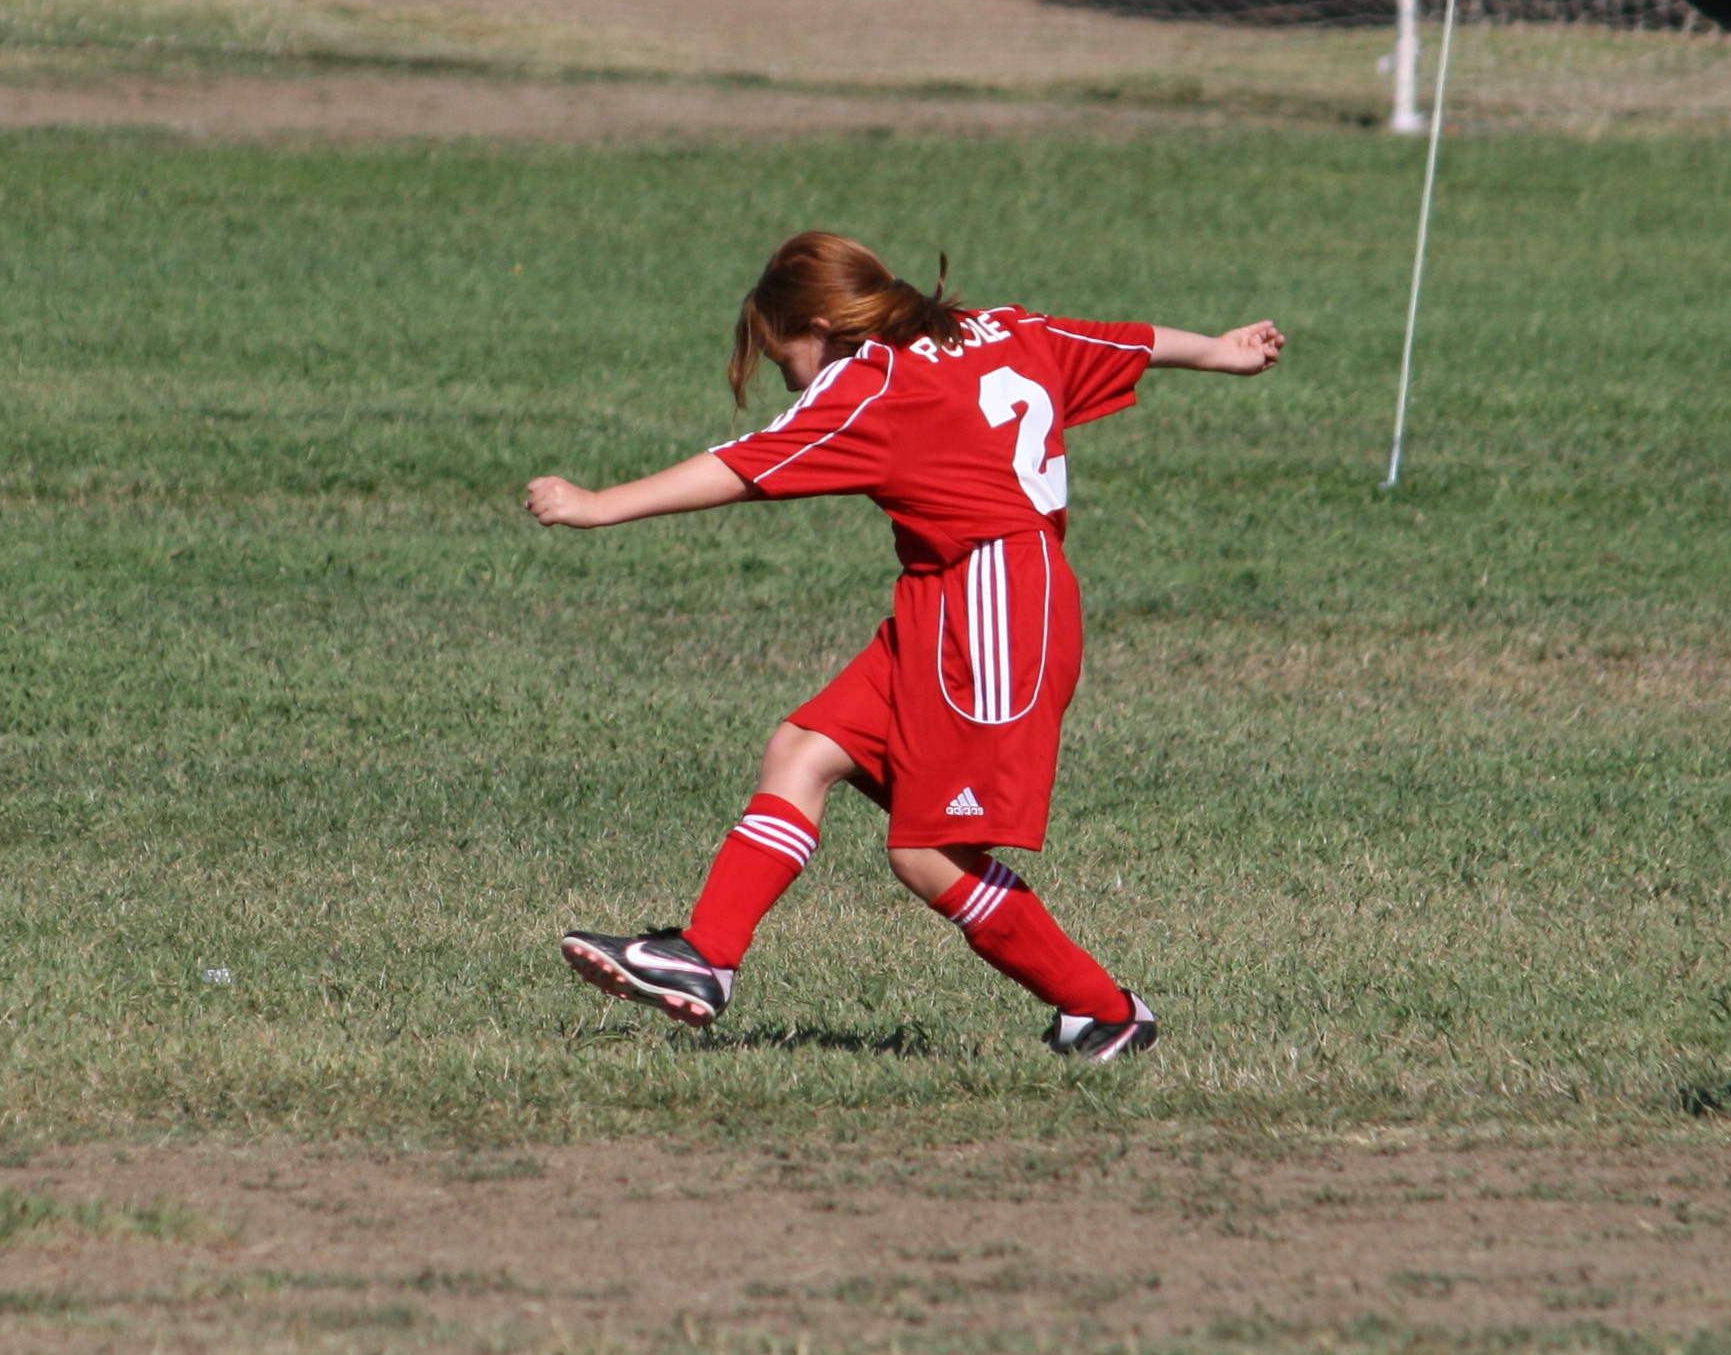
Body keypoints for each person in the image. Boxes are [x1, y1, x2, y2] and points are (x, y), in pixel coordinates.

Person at [527, 231, 1281, 1061]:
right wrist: (1218, 351)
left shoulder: (872, 382)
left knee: (928, 854)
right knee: (803, 749)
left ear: (820, 326)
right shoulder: (997, 328)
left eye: (781, 355)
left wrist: (599, 504)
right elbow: (1121, 340)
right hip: (955, 595)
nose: (786, 374)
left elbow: (747, 465)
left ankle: (1106, 1011)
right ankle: (706, 957)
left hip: (991, 609)